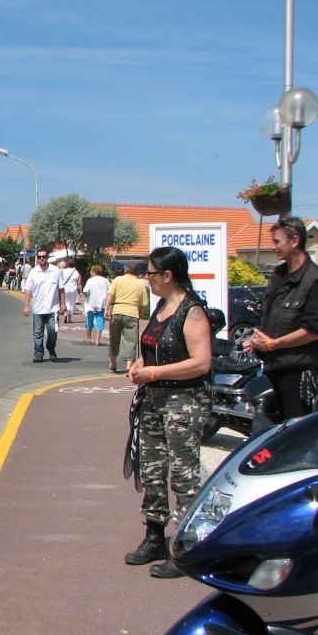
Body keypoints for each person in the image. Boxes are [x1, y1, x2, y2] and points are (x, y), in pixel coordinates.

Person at [124, 247, 212, 579]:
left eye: (149, 273)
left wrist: (156, 374)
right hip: (153, 401)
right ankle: (154, 535)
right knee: (152, 469)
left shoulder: (192, 311)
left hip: (182, 402)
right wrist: (141, 366)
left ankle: (187, 547)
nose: (146, 279)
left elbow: (201, 363)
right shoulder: (162, 306)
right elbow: (151, 346)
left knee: (184, 473)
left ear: (167, 275)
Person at [243, 216, 318, 420]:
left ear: (294, 241)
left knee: (297, 433)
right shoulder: (279, 275)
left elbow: (315, 331)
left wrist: (274, 344)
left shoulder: (315, 280)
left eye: (277, 241)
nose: (273, 246)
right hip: (275, 368)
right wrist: (258, 343)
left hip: (301, 373)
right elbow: (273, 320)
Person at [106, 262, 149, 374]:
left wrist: (106, 308)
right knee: (130, 341)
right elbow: (145, 304)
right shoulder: (140, 284)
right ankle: (128, 366)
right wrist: (140, 313)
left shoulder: (117, 280)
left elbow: (110, 294)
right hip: (132, 312)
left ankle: (113, 363)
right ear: (138, 272)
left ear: (126, 270)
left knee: (113, 339)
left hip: (117, 310)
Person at [22, 249, 64, 363]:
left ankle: (51, 347)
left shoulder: (55, 271)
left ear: (47, 257)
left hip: (53, 308)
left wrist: (63, 303)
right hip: (38, 308)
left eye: (44, 256)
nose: (41, 258)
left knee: (53, 330)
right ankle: (38, 353)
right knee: (37, 332)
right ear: (37, 257)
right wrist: (26, 305)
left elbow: (61, 289)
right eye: (39, 257)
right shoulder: (33, 272)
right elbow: (28, 290)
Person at [82, 265, 110, 346]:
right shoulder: (105, 280)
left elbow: (85, 290)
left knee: (89, 320)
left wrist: (85, 295)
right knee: (100, 320)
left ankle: (88, 338)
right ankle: (97, 340)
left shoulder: (90, 280)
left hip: (91, 303)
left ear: (93, 271)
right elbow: (110, 290)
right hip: (101, 303)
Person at [59, 258, 82, 323]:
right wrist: (80, 292)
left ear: (67, 264)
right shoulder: (77, 272)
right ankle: (69, 318)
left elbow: (60, 280)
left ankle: (65, 313)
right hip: (74, 289)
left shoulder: (63, 271)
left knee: (66, 302)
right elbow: (79, 283)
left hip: (65, 288)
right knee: (72, 303)